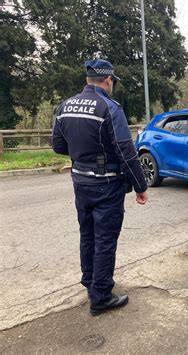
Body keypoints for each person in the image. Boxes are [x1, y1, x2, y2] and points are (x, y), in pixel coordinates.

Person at [52, 59, 149, 316]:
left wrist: (82, 154)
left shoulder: (65, 106)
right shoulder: (109, 107)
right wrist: (141, 185)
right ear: (108, 80)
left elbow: (59, 146)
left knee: (87, 234)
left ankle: (90, 282)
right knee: (105, 239)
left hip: (80, 182)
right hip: (107, 184)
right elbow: (125, 151)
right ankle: (102, 296)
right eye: (113, 82)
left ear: (88, 80)